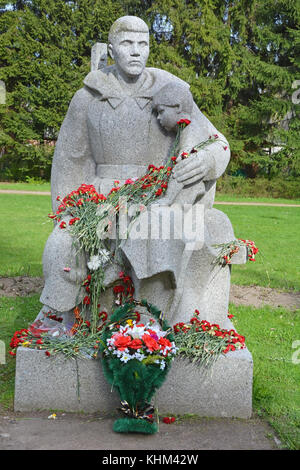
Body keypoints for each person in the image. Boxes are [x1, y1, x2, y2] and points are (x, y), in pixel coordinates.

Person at [39, 15, 232, 323]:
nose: (135, 52)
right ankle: (73, 321)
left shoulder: (172, 91)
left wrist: (206, 161)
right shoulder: (87, 98)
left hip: (156, 195)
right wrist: (67, 212)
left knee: (158, 229)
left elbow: (216, 143)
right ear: (112, 48)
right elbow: (69, 162)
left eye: (143, 44)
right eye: (127, 44)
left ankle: (150, 322)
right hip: (102, 197)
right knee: (64, 242)